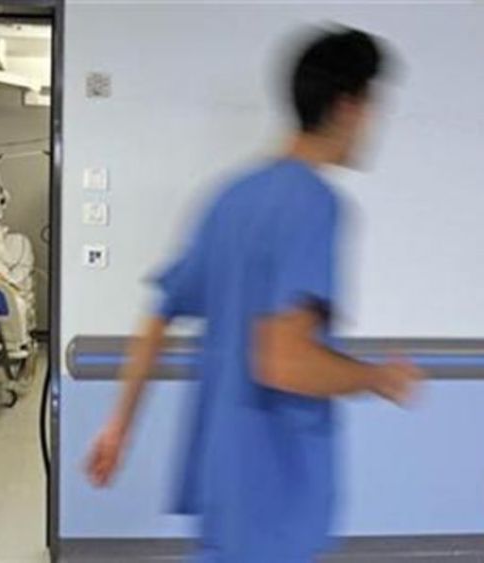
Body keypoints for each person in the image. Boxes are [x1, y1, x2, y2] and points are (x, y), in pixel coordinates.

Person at [86, 27, 423, 563]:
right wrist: (377, 377)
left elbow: (158, 316)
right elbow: (283, 361)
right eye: (372, 105)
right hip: (276, 493)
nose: (374, 122)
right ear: (346, 106)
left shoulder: (230, 199)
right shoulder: (314, 204)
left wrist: (117, 427)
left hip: (225, 487)